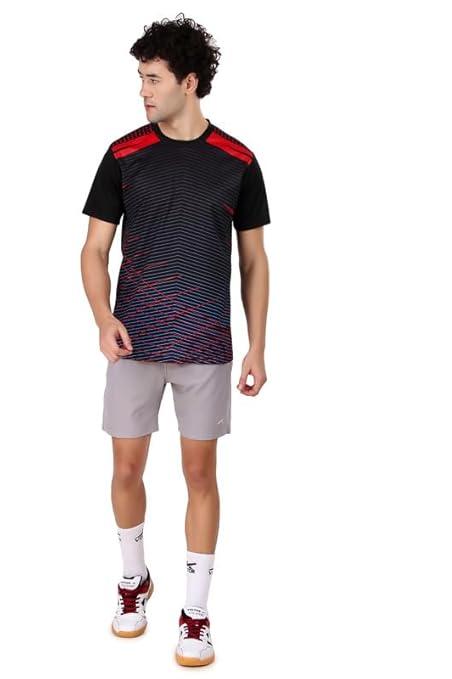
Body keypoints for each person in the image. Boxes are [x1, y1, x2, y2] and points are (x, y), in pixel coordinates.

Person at [80, 14, 270, 667]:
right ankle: (133, 579)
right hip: (132, 342)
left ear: (189, 82)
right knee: (124, 469)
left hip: (205, 346)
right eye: (140, 78)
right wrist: (102, 316)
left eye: (153, 79)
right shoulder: (123, 154)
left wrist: (257, 345)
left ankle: (195, 612)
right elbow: (93, 248)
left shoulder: (238, 161)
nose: (143, 90)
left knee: (199, 474)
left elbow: (254, 260)